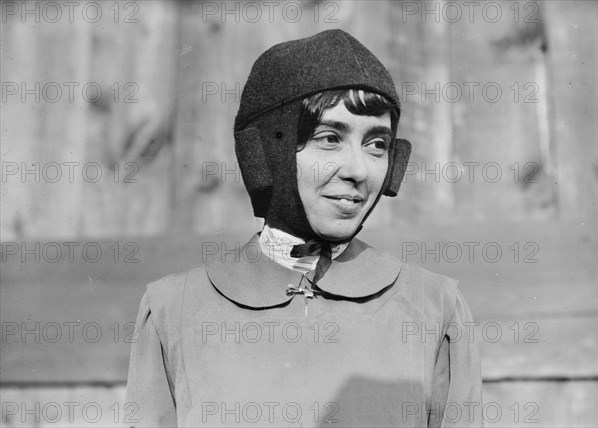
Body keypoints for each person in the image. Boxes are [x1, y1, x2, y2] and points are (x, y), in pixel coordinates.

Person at [126, 29, 483, 427]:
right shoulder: (173, 310)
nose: (358, 170)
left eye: (377, 144)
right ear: (265, 155)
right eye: (329, 138)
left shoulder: (435, 308)